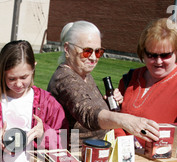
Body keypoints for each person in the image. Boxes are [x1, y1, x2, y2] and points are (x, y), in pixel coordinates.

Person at [47, 20, 159, 153]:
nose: (94, 58)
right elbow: (88, 113)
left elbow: (87, 105)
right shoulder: (65, 78)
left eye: (98, 52)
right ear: (67, 49)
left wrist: (107, 102)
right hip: (75, 156)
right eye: (87, 51)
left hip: (96, 150)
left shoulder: (84, 74)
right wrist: (125, 120)